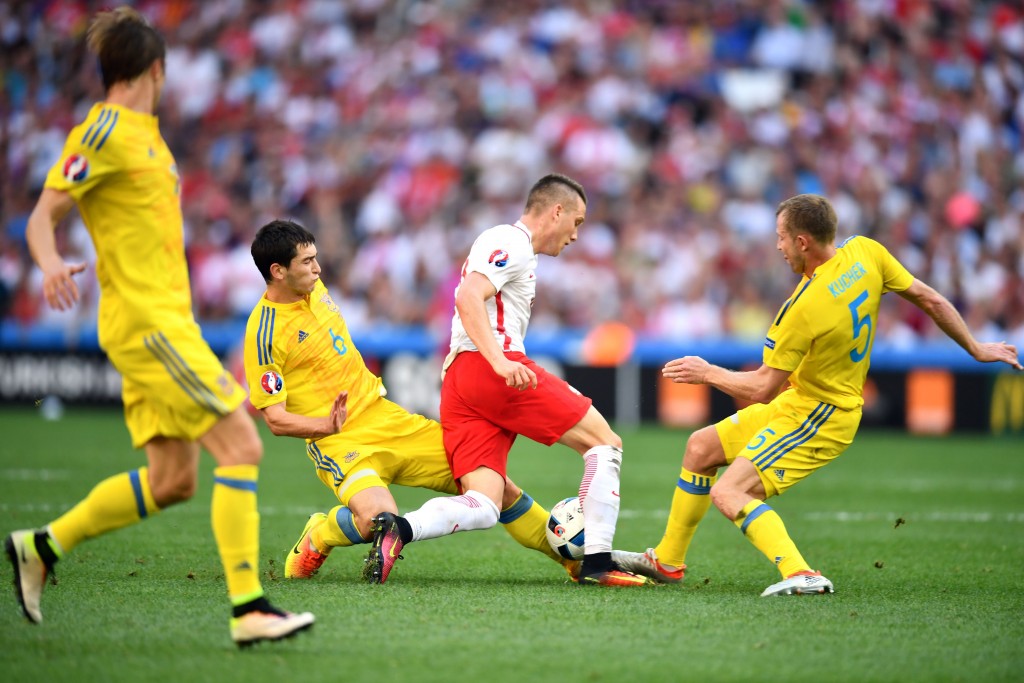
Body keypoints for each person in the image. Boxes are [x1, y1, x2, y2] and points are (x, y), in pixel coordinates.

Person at [3, 7, 313, 647]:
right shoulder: (105, 130)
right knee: (242, 444)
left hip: (161, 323)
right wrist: (49, 262)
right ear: (156, 69)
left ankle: (41, 545)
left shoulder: (144, 134)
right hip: (151, 326)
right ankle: (248, 607)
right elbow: (41, 217)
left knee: (173, 480)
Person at [615, 193, 1022, 595]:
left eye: (781, 237)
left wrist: (708, 372)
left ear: (802, 241)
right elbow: (928, 298)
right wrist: (975, 347)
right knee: (701, 448)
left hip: (822, 415)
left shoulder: (803, 308)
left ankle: (800, 573)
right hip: (802, 402)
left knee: (730, 491)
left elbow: (761, 388)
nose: (777, 246)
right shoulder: (867, 252)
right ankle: (667, 560)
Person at [244, 219, 580, 580]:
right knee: (378, 522)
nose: (318, 268)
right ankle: (320, 535)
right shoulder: (263, 333)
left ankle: (574, 560)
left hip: (387, 418)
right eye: (307, 262)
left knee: (493, 487)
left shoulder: (314, 289)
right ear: (277, 271)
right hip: (339, 441)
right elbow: (275, 420)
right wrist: (324, 425)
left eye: (316, 258)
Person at [363, 173, 652, 587]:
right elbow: (467, 297)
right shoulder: (511, 241)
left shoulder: (515, 251)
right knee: (605, 443)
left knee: (483, 504)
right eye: (577, 222)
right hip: (492, 369)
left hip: (462, 382)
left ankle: (399, 530)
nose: (575, 235)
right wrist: (498, 361)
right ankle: (598, 563)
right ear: (556, 211)